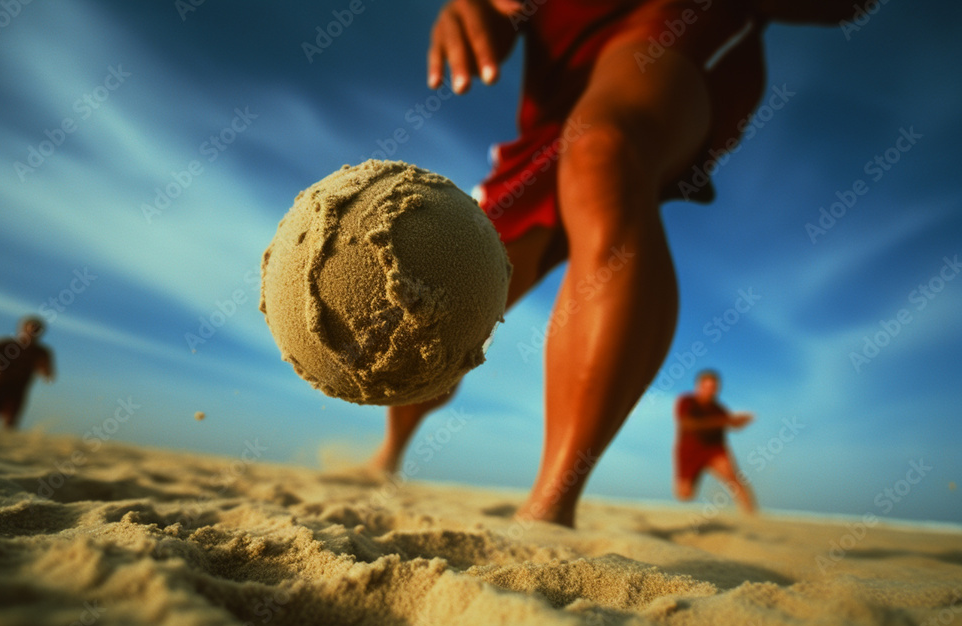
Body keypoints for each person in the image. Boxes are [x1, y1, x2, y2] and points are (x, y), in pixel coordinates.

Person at [367, 0, 857, 526]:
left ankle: (550, 508)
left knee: (603, 151)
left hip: (670, 36)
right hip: (550, 120)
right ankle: (389, 453)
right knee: (451, 294)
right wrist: (486, 8)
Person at [674, 369, 756, 512]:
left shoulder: (719, 409)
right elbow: (688, 424)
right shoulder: (687, 401)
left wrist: (736, 423)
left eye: (713, 387)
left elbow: (727, 428)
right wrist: (726, 421)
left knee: (734, 479)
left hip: (713, 450)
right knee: (684, 494)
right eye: (706, 386)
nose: (709, 390)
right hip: (689, 451)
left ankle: (751, 514)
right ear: (698, 386)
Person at [0, 316, 55, 429]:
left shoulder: (41, 352)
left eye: (36, 330)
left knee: (9, 422)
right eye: (31, 328)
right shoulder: (7, 344)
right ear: (22, 329)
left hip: (17, 390)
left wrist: (45, 372)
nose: (32, 332)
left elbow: (47, 372)